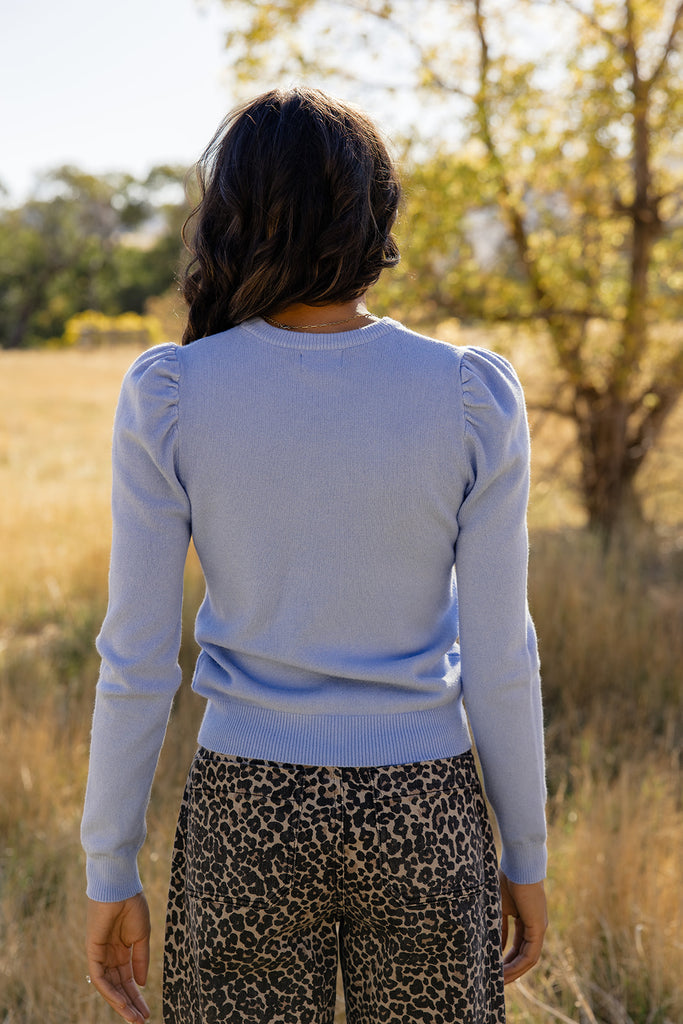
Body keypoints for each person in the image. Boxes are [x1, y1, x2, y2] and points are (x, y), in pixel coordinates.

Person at [82, 86, 548, 1024]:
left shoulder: (174, 391)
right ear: (374, 212)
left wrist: (110, 865)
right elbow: (501, 655)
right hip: (425, 810)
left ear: (231, 218)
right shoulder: (469, 394)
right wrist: (525, 856)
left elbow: (135, 656)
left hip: (245, 811)